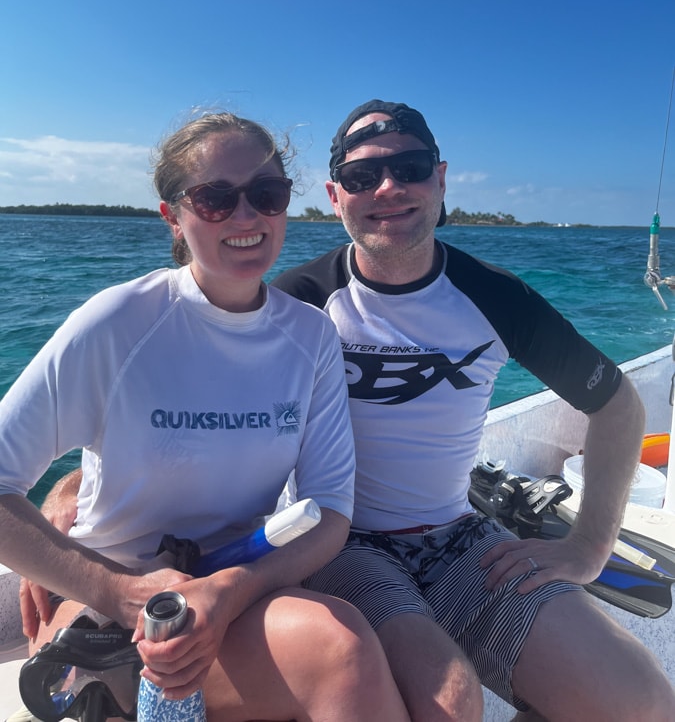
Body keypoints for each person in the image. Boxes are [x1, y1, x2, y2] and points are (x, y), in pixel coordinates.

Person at [270, 99, 675, 722]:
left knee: (641, 702)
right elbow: (199, 413)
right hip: (342, 544)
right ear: (334, 195)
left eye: (409, 167)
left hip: (461, 539)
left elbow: (618, 407)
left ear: (440, 177)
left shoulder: (493, 297)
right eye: (361, 177)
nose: (388, 188)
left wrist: (589, 545)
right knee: (449, 701)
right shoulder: (296, 304)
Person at [0, 111, 409, 722]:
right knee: (339, 649)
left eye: (266, 195)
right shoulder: (118, 323)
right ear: (173, 215)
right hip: (106, 617)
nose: (246, 218)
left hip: (231, 597)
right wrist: (119, 591)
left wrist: (230, 589)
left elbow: (329, 510)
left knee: (347, 644)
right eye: (215, 199)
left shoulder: (312, 338)